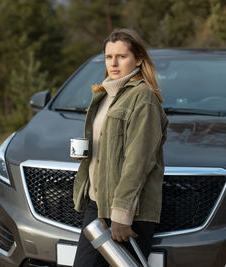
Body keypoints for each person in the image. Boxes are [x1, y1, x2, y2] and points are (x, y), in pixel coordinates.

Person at [72, 29, 168, 266]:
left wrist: (122, 216)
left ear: (138, 59)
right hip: (98, 204)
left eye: (121, 56)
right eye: (108, 57)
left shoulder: (142, 97)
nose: (113, 63)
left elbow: (138, 161)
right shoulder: (105, 95)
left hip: (127, 214)